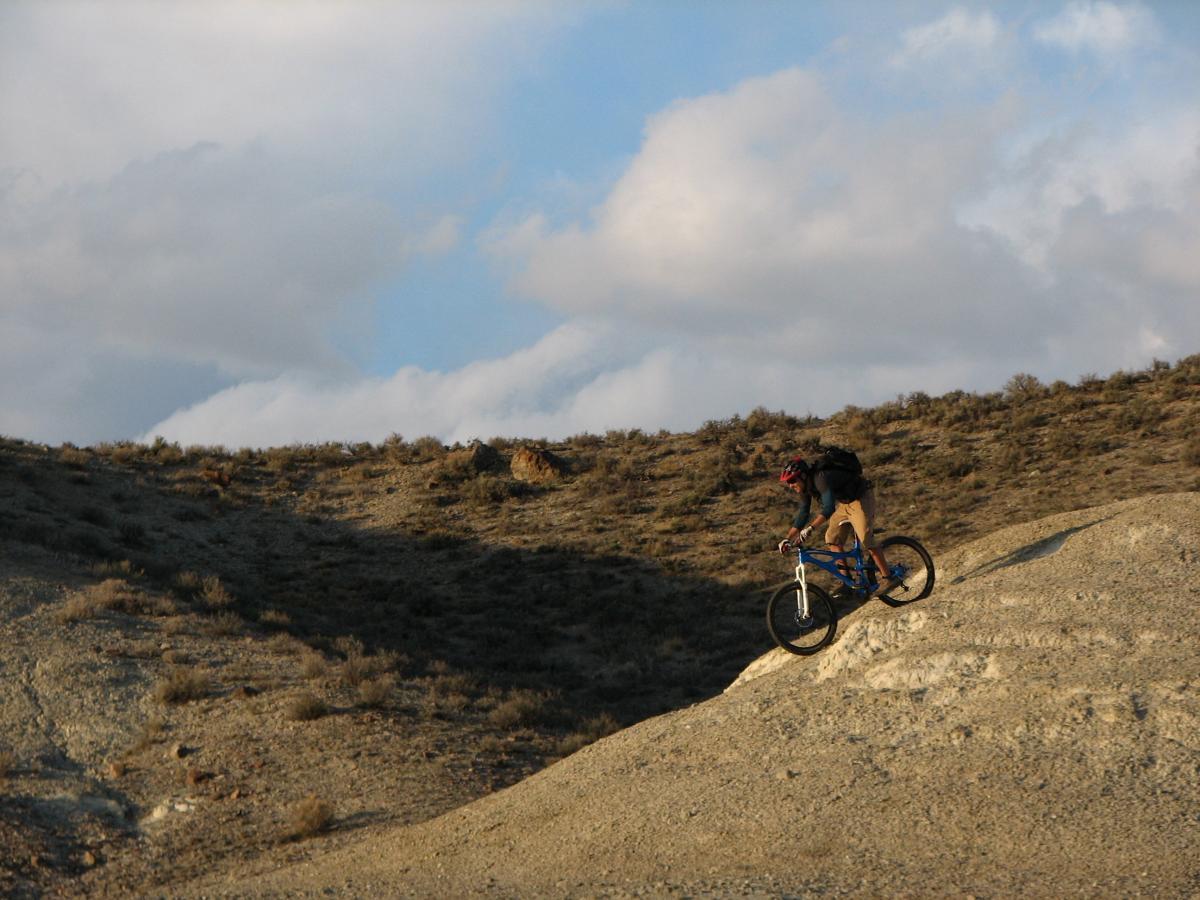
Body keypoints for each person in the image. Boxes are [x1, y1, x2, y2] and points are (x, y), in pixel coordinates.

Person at [777, 453, 899, 598]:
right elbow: (803, 513)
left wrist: (810, 529)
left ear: (803, 476)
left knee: (866, 538)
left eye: (792, 480)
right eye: (788, 482)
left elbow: (828, 508)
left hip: (861, 498)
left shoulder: (820, 479)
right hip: (845, 503)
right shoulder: (805, 488)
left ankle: (889, 577)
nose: (790, 485)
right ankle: (847, 583)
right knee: (832, 538)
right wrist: (787, 538)